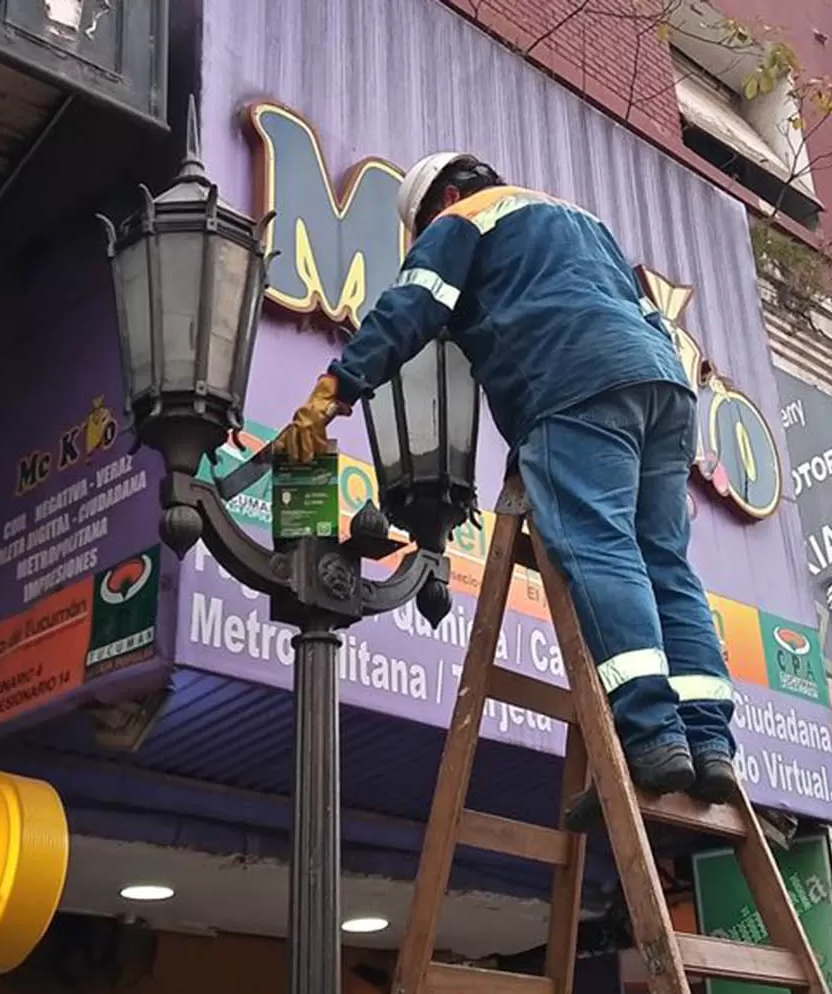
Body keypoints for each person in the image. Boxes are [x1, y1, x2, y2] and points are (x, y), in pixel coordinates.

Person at [273, 152, 736, 817]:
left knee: (601, 548)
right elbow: (642, 314)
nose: (429, 233)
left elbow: (413, 307)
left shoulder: (464, 217)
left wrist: (334, 391)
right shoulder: (580, 221)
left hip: (573, 386)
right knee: (665, 561)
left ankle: (654, 738)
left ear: (449, 194)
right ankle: (710, 743)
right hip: (664, 390)